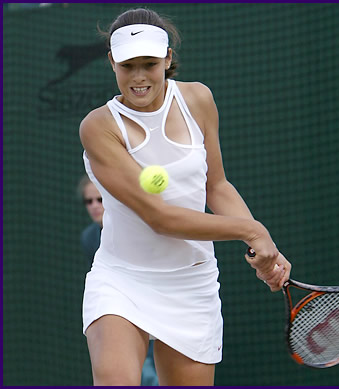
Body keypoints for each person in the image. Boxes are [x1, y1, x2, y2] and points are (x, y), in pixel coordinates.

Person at [79, 7, 292, 386]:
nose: (139, 76)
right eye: (128, 65)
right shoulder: (98, 127)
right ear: (112, 62)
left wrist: (264, 247)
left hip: (191, 284)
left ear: (168, 59)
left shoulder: (198, 100)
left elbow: (217, 187)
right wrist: (252, 231)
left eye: (149, 63)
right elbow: (159, 218)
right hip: (122, 279)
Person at [77, 173, 158, 385]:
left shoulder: (138, 228)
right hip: (122, 314)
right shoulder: (89, 238)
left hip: (156, 310)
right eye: (89, 201)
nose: (95, 206)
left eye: (100, 199)